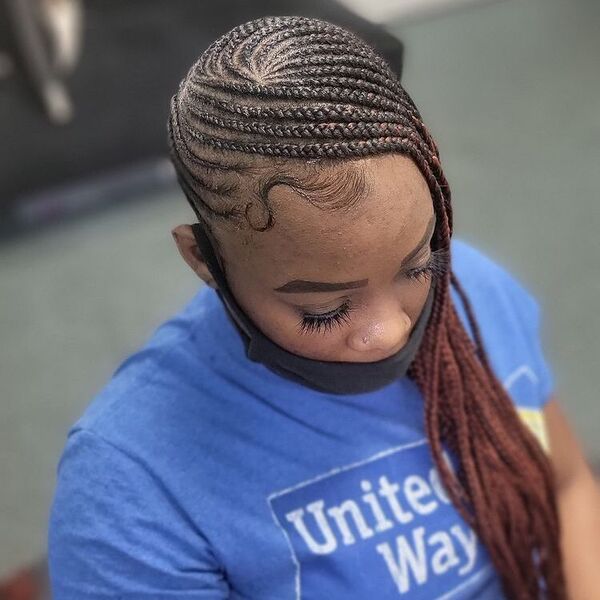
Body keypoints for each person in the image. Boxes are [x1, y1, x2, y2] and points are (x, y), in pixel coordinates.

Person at [48, 15, 600, 600]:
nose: (390, 331)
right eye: (326, 309)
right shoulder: (130, 485)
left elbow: (565, 485)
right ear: (203, 260)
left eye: (418, 267)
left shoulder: (475, 290)